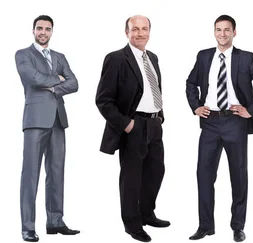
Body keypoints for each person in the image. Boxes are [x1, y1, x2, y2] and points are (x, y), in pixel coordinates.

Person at [185, 14, 253, 243]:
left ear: (234, 32)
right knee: (204, 175)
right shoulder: (204, 56)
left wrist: (251, 110)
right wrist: (196, 106)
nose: (222, 34)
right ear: (214, 32)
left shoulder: (246, 58)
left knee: (238, 176)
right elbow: (190, 83)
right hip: (210, 122)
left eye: (227, 30)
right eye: (218, 30)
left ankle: (238, 227)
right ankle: (205, 226)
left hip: (235, 122)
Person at [95, 15, 170, 242]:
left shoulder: (153, 58)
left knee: (156, 172)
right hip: (133, 125)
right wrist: (127, 124)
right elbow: (103, 100)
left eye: (144, 29)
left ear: (150, 31)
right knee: (131, 178)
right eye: (134, 29)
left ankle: (147, 213)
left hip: (154, 124)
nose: (140, 33)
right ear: (126, 32)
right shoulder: (116, 59)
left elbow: (153, 87)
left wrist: (160, 117)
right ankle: (132, 223)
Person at [15, 14, 80, 242]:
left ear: (52, 32)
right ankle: (27, 227)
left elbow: (74, 83)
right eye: (40, 28)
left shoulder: (60, 56)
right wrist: (58, 80)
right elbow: (31, 77)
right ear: (33, 30)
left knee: (56, 173)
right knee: (30, 175)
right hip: (34, 121)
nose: (43, 32)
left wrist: (53, 85)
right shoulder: (23, 55)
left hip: (58, 121)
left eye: (48, 29)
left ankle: (55, 221)